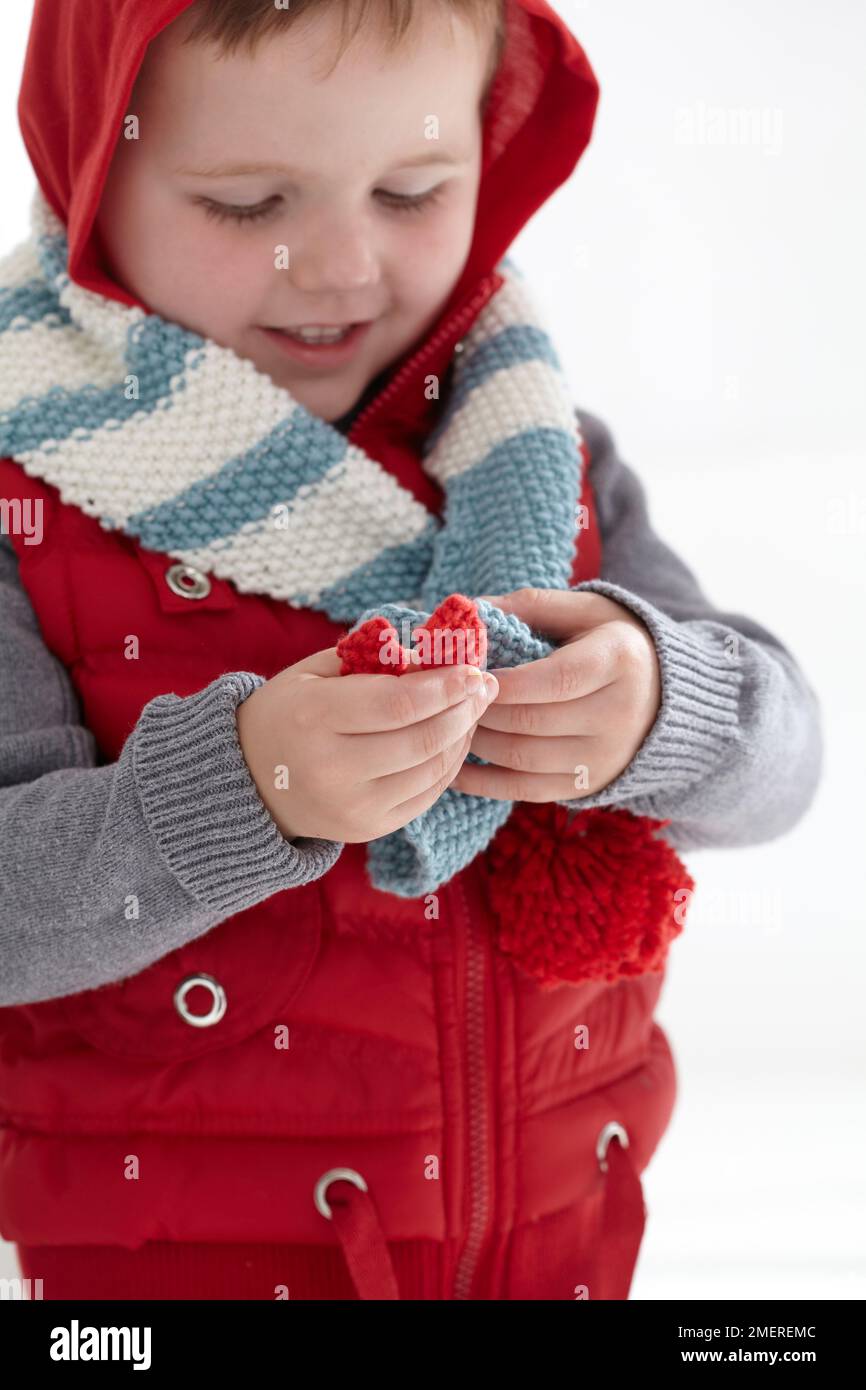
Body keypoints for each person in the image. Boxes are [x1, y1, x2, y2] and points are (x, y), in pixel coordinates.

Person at [0, 0, 822, 1300]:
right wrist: (243, 787)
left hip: (556, 1254)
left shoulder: (540, 451)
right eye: (248, 202)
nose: (337, 265)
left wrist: (652, 702)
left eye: (410, 187)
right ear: (92, 183)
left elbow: (784, 762)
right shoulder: (28, 500)